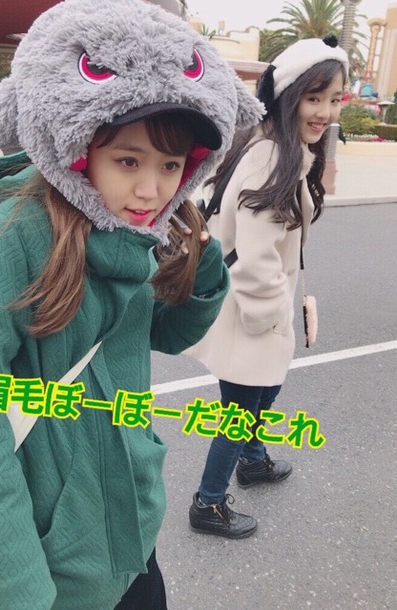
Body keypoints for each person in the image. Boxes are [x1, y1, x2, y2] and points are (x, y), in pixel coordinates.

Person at [0, 1, 264, 608]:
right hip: (55, 562)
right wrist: (14, 588)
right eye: (128, 160)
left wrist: (201, 275)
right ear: (78, 148)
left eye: (171, 165)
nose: (151, 189)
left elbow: (160, 334)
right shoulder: (18, 237)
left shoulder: (130, 229)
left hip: (131, 528)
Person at [186, 36, 349, 539]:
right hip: (251, 311)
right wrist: (271, 319)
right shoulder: (271, 158)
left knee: (264, 391)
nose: (324, 112)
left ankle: (253, 459)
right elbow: (255, 260)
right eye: (313, 98)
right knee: (238, 412)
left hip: (250, 306)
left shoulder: (274, 145)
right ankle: (208, 502)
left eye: (334, 99)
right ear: (288, 95)